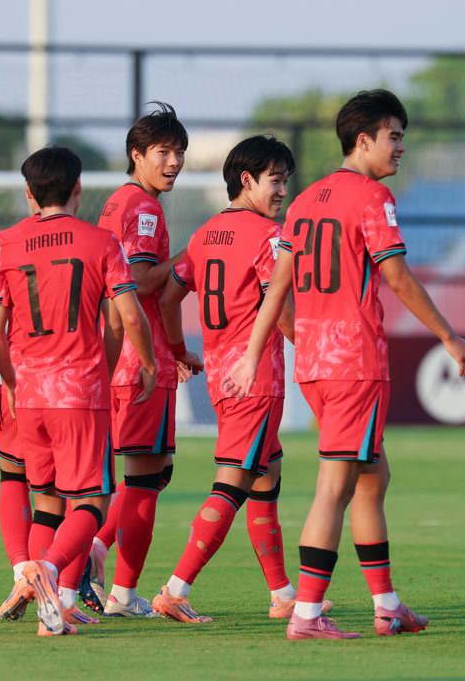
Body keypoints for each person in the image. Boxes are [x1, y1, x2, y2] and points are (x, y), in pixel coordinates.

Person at [228, 90, 465, 640]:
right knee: (335, 486)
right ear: (363, 140)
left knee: (372, 477)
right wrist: (449, 336)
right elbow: (397, 277)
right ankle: (306, 614)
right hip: (354, 362)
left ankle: (387, 605)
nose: (401, 147)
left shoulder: (304, 201)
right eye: (394, 136)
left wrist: (252, 354)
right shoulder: (371, 197)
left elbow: (277, 289)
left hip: (314, 360)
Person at [0, 145, 157, 635]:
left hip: (28, 393)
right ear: (78, 187)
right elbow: (126, 317)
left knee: (46, 502)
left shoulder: (4, 243)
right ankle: (49, 570)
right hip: (78, 390)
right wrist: (145, 363)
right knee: (91, 504)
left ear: (28, 192)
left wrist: (8, 381)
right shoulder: (100, 242)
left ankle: (53, 609)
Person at [151, 134, 325, 622]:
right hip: (255, 376)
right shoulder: (269, 236)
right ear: (246, 180)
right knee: (232, 483)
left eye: (286, 182)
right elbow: (281, 309)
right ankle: (175, 589)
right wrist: (313, 350)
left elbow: (168, 298)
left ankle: (282, 594)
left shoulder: (205, 235)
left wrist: (179, 349)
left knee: (266, 477)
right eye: (276, 181)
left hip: (221, 374)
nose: (283, 191)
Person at [81, 102, 203, 618]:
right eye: (163, 152)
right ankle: (119, 591)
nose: (174, 162)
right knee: (146, 481)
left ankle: (96, 551)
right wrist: (192, 256)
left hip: (116, 355)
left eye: (179, 152)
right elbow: (139, 282)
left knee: (150, 472)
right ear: (137, 155)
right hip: (140, 358)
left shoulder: (118, 202)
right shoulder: (146, 209)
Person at [0, 248, 35, 620]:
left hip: (17, 377)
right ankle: (59, 584)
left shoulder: (3, 245)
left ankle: (21, 574)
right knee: (66, 491)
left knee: (13, 475)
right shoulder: (91, 240)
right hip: (70, 380)